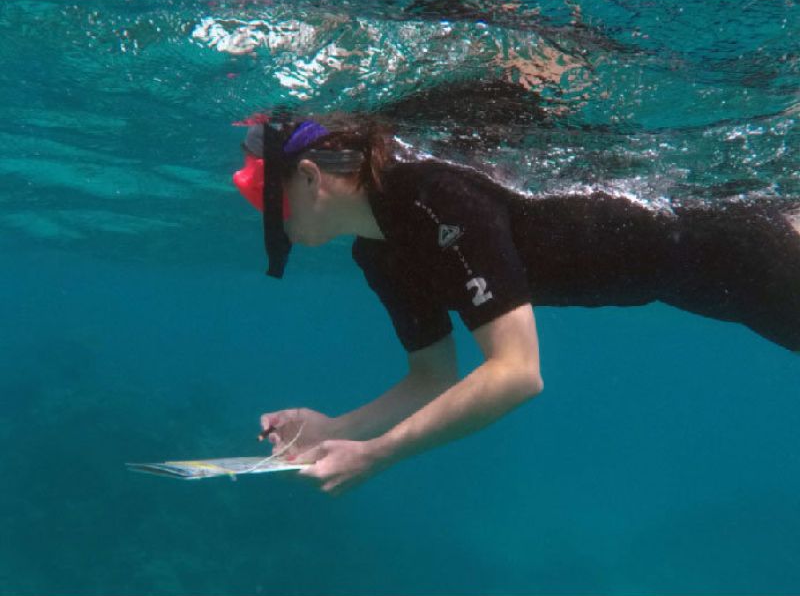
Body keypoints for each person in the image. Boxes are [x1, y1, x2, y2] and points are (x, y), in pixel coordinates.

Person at [232, 117, 800, 495]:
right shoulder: (377, 253)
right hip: (703, 284)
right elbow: (431, 376)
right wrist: (337, 429)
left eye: (266, 200)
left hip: (745, 252)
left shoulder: (434, 195)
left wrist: (377, 454)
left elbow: (517, 373)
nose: (268, 220)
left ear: (308, 177)